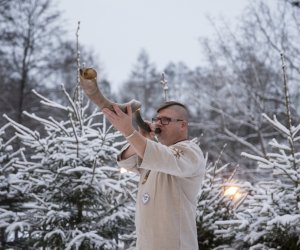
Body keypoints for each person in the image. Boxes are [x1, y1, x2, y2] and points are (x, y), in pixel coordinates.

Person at [102, 101, 206, 250]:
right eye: (156, 119)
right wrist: (141, 136)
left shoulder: (190, 151)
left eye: (165, 120)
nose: (158, 124)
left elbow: (163, 156)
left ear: (182, 125)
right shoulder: (157, 156)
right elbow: (126, 162)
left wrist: (128, 131)